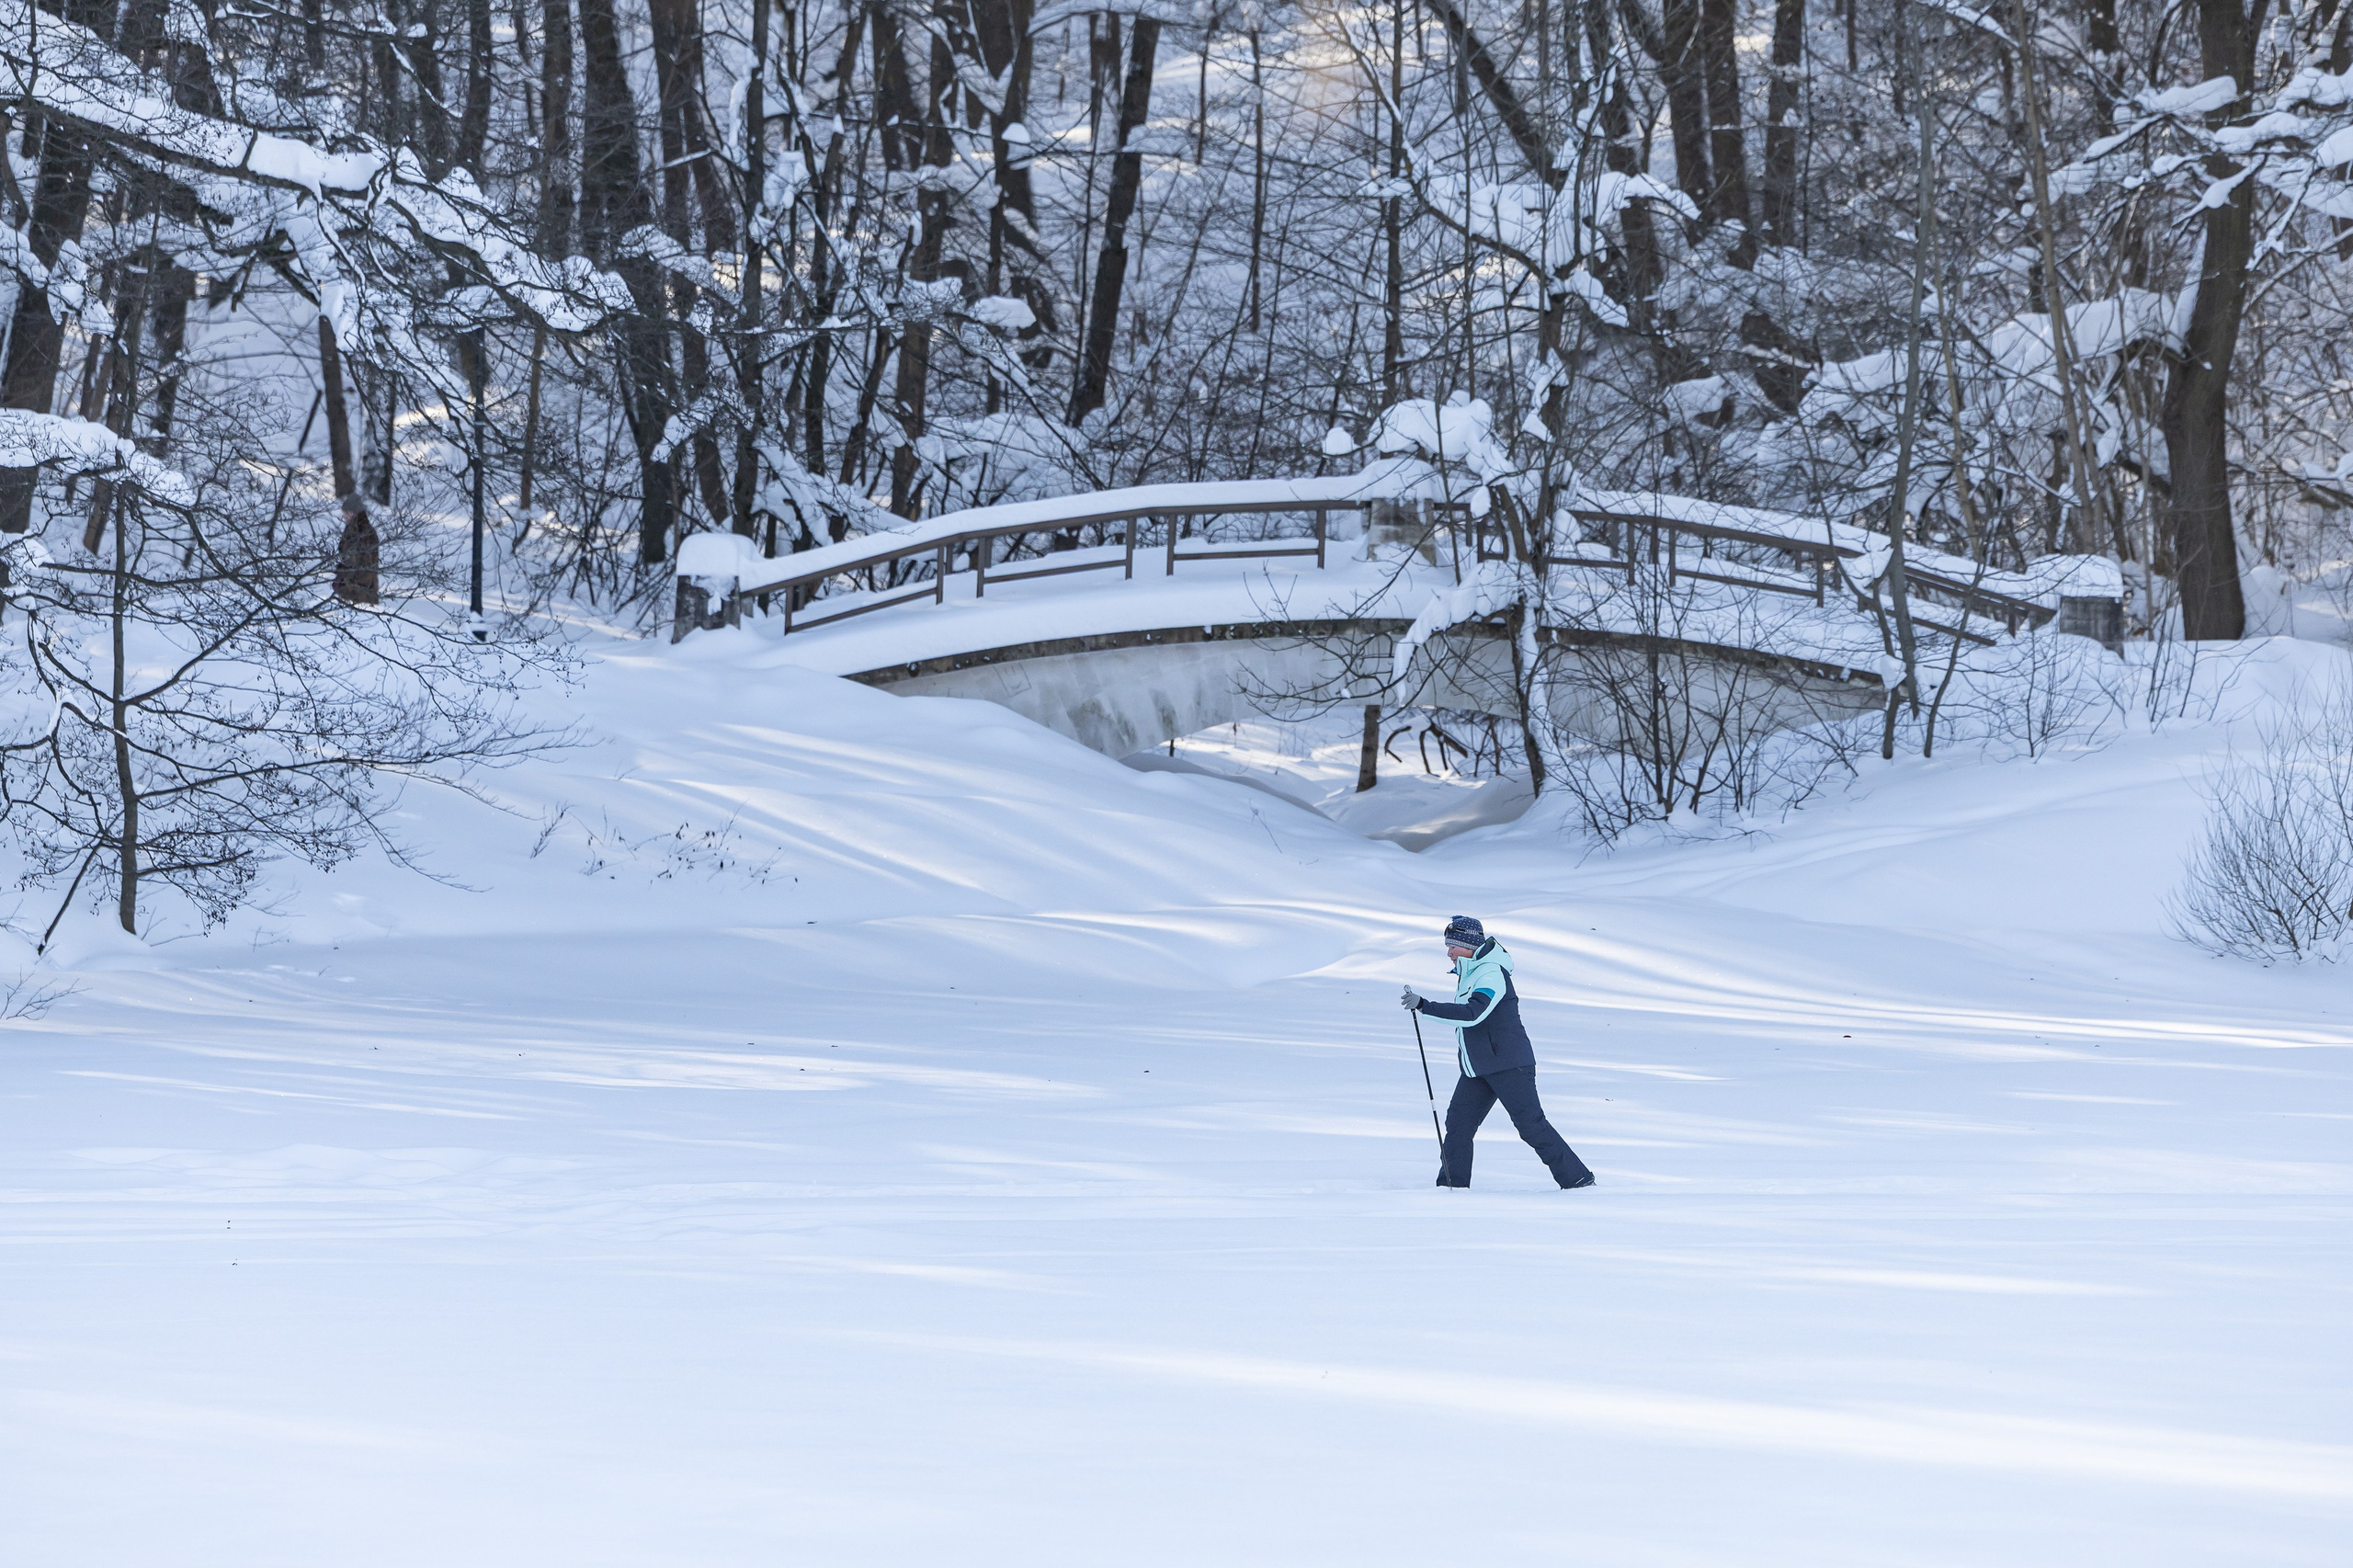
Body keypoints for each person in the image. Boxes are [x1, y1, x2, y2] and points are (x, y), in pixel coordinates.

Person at [1402, 915, 1595, 1190]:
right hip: (1477, 1067)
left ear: (1467, 943)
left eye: (1452, 946)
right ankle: (1451, 1187)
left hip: (1508, 1064)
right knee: (1458, 1123)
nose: (1449, 953)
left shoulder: (1491, 972)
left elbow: (1473, 1014)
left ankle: (1578, 1180)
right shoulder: (1470, 972)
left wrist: (1425, 1006)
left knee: (1531, 1126)